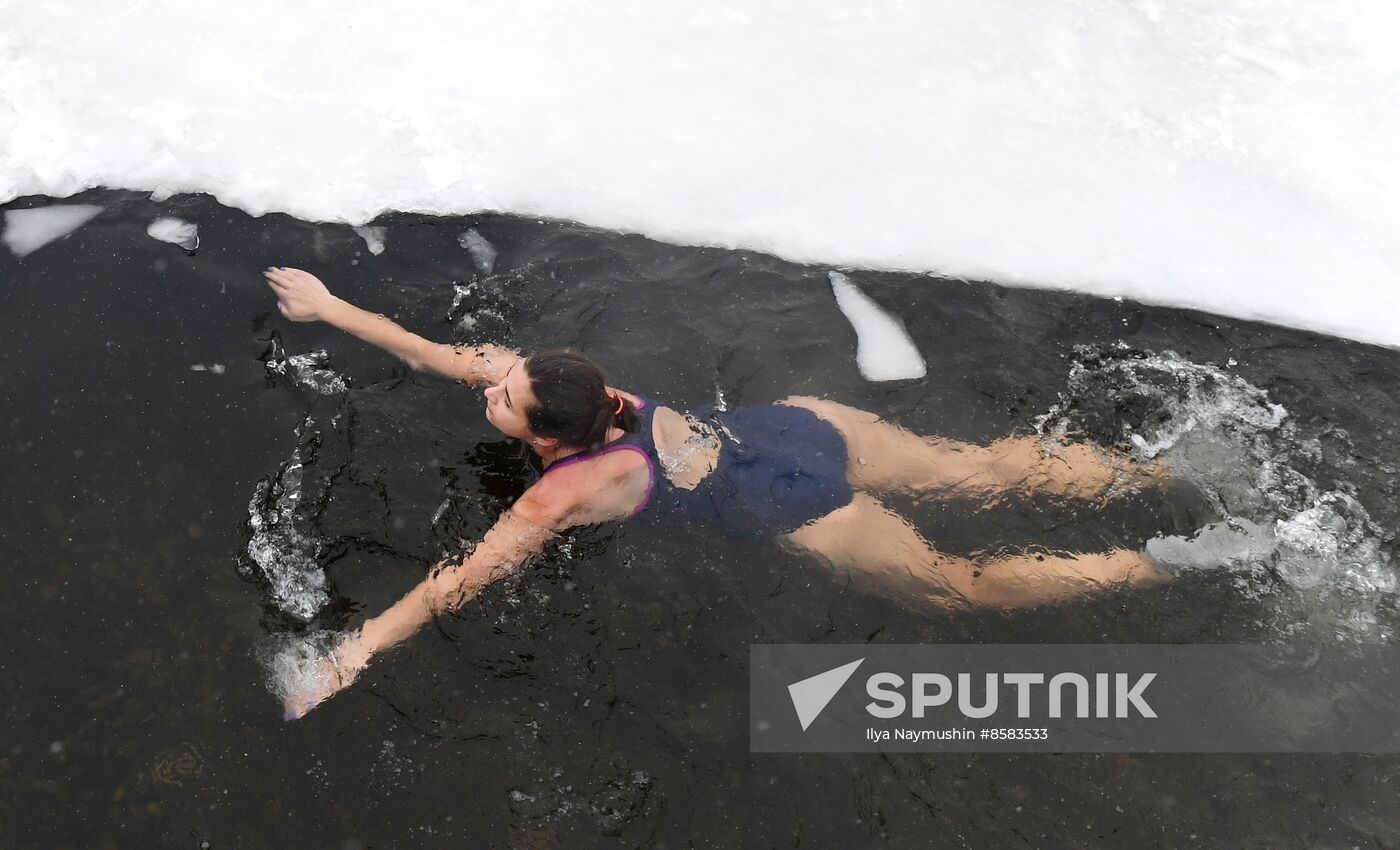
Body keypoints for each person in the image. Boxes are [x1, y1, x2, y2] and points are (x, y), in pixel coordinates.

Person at [262, 266, 1175, 719]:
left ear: (550, 436)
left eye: (505, 395)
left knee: (964, 585)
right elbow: (433, 353)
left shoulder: (561, 494)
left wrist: (357, 652)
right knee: (981, 468)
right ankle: (1160, 470)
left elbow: (462, 579)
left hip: (800, 506)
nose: (489, 388)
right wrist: (329, 305)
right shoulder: (588, 393)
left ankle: (1157, 565)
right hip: (803, 425)